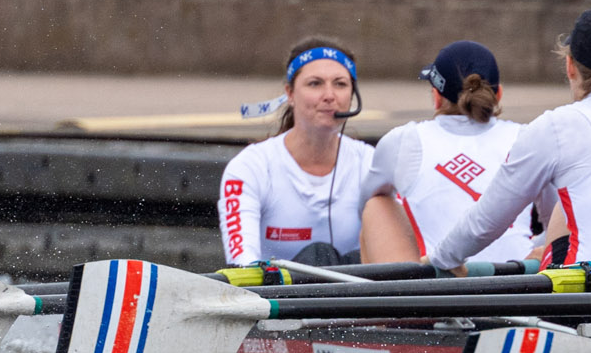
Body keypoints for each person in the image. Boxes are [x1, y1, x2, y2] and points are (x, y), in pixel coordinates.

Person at [426, 6, 591, 273]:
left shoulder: (558, 127)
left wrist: (439, 261)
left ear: (570, 66)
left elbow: (487, 221)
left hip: (589, 303)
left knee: (566, 209)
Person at [358, 40, 526, 266]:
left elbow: (364, 203)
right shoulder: (525, 136)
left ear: (436, 97)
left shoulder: (403, 140)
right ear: (499, 95)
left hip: (442, 286)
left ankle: (384, 298)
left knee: (375, 205)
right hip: (521, 281)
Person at [218, 37, 376, 266]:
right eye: (315, 83)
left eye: (340, 84)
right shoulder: (250, 167)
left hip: (354, 296)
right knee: (319, 254)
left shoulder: (370, 164)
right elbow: (242, 262)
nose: (329, 95)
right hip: (279, 297)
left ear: (352, 95)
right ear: (290, 93)